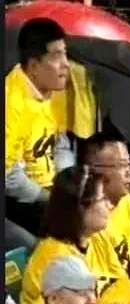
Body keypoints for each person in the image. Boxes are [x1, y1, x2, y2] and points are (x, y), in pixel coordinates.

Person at [20, 166, 125, 304]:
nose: (110, 205)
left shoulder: (98, 237)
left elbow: (120, 284)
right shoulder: (56, 260)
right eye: (103, 199)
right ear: (80, 209)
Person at [5, 18, 73, 236]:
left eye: (65, 54)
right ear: (34, 66)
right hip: (21, 200)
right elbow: (8, 176)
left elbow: (61, 144)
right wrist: (50, 198)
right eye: (56, 56)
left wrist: (67, 185)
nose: (66, 64)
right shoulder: (11, 103)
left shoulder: (56, 90)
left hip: (52, 189)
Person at [81, 132, 130, 266]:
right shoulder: (89, 222)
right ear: (93, 170)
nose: (129, 172)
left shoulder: (126, 201)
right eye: (122, 165)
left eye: (129, 164)